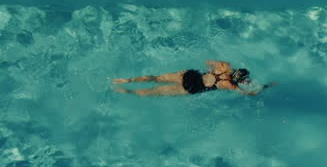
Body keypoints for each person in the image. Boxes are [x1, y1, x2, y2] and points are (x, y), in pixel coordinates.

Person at [112, 60, 275, 96]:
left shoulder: (224, 66)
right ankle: (126, 91)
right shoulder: (231, 86)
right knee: (155, 92)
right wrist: (265, 87)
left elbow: (207, 62)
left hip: (189, 75)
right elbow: (249, 94)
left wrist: (211, 70)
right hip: (190, 88)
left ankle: (129, 80)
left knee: (156, 78)